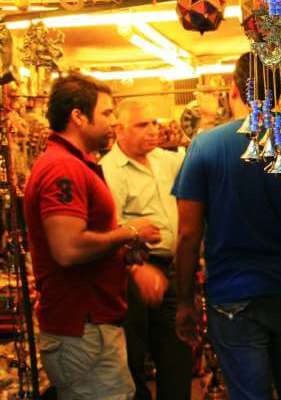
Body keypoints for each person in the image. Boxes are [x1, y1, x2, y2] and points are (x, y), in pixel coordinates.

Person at [172, 52, 281, 400]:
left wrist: (183, 301)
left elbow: (188, 234)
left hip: (233, 297)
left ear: (234, 90)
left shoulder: (206, 147)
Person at [23, 73, 162, 399]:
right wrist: (129, 230)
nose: (113, 122)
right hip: (82, 329)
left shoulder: (74, 164)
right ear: (78, 117)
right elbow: (68, 249)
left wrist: (129, 259)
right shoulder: (62, 168)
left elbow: (87, 239)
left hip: (90, 326)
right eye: (107, 113)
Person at [100, 99, 192, 400]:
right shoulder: (110, 170)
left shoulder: (166, 161)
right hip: (132, 272)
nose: (153, 130)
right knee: (133, 358)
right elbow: (108, 228)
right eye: (142, 125)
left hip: (170, 268)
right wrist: (136, 265)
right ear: (119, 129)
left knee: (176, 355)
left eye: (154, 123)